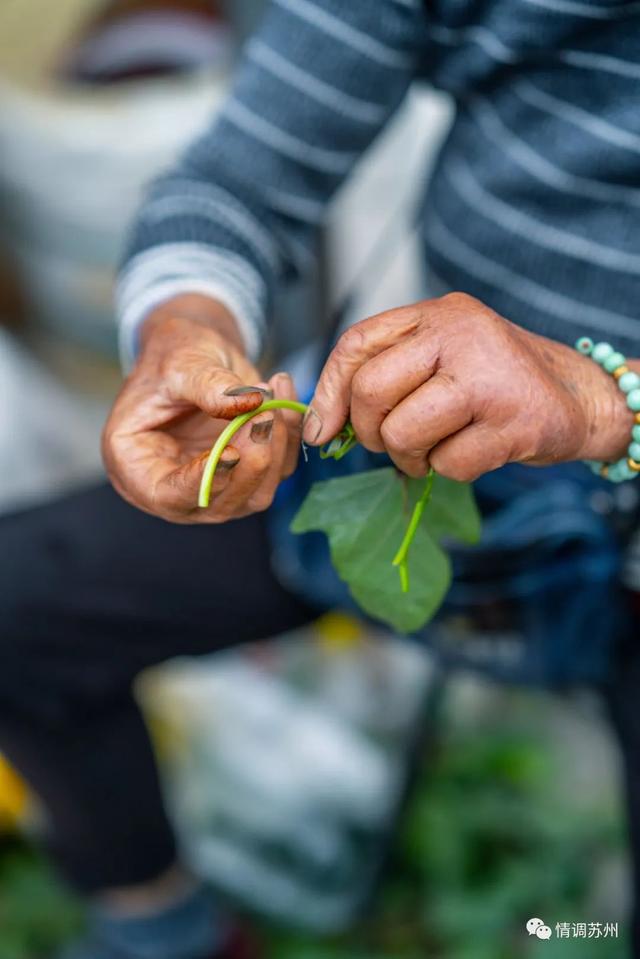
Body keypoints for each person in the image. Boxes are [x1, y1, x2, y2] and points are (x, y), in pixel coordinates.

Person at [2, 1, 640, 957]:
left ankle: (571, 925)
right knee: (19, 606)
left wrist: (604, 403)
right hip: (389, 456)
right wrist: (187, 325)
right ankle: (166, 934)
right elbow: (238, 177)